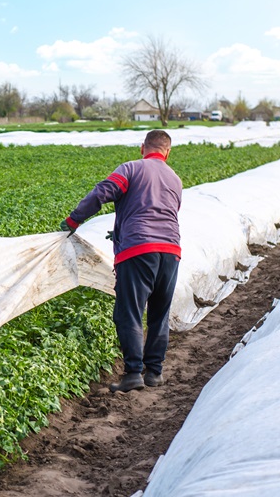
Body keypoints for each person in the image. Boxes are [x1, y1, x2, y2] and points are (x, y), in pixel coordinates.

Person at [60, 130, 182, 393]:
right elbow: (160, 213)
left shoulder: (131, 169)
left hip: (138, 249)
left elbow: (101, 193)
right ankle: (154, 373)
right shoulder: (175, 179)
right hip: (171, 251)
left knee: (130, 312)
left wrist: (73, 220)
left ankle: (134, 373)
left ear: (142, 148)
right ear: (167, 152)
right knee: (159, 314)